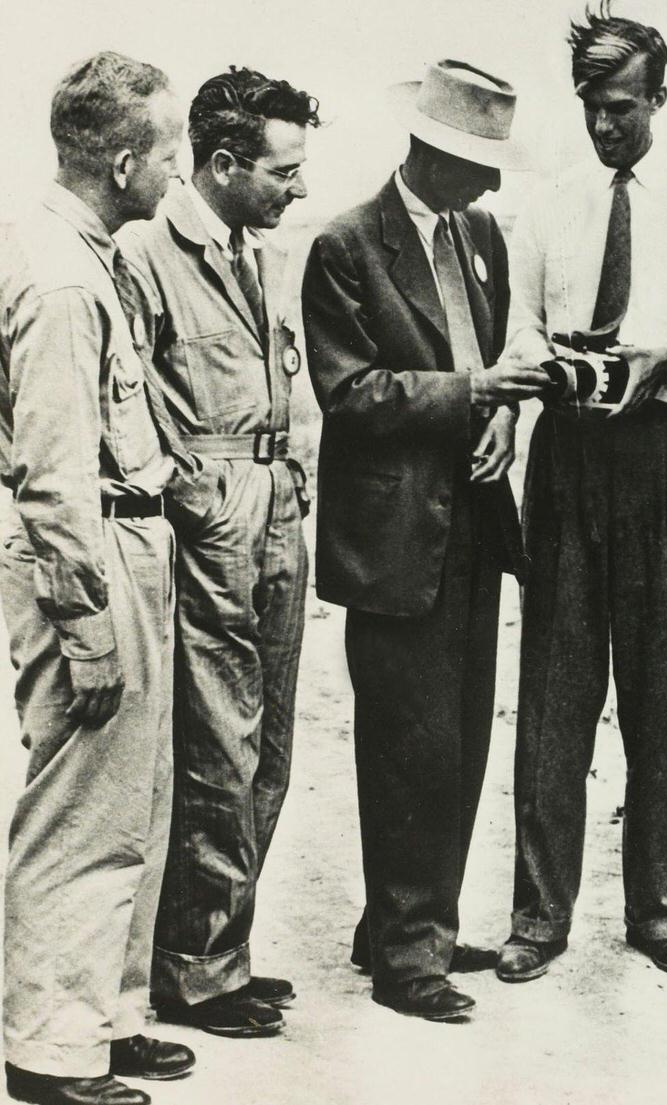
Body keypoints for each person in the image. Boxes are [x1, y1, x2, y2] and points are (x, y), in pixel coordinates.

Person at [496, 2, 667, 984]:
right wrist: (549, 369)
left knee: (657, 693)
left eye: (622, 106)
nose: (606, 125)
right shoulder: (547, 200)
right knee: (556, 691)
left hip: (663, 456)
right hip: (566, 456)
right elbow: (514, 322)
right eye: (592, 107)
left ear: (658, 98)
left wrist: (662, 360)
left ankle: (659, 908)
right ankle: (537, 913)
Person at [302, 59, 547, 1021]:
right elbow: (351, 393)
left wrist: (502, 422)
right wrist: (473, 397)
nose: (490, 186)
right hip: (394, 540)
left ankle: (411, 919)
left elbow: (485, 364)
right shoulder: (345, 246)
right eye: (476, 165)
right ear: (430, 153)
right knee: (407, 744)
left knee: (461, 735)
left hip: (473, 530)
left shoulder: (479, 233)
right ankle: (408, 957)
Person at [0, 51, 204, 1105]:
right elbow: (54, 472)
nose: (176, 172)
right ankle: (49, 1047)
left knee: (133, 799)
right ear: (123, 161)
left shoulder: (78, 250)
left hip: (128, 540)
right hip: (86, 554)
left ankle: (109, 1015)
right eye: (168, 152)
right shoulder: (64, 278)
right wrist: (86, 628)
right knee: (79, 803)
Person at [120, 65, 320, 1040]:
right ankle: (192, 969)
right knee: (217, 742)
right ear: (226, 163)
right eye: (284, 170)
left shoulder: (261, 249)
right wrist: (188, 491)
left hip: (278, 500)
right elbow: (129, 395)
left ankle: (225, 948)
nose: (299, 187)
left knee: (271, 742)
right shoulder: (147, 254)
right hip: (215, 512)